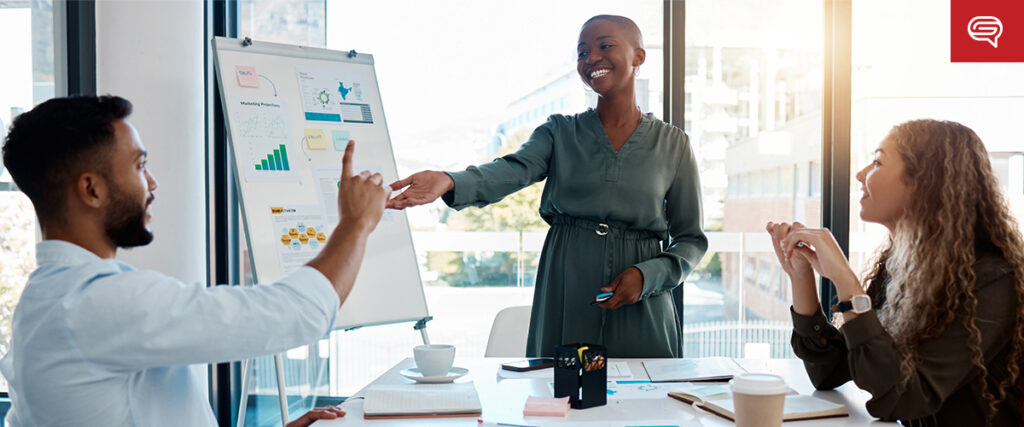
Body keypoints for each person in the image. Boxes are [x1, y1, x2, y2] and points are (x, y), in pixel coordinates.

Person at [0, 95, 391, 426]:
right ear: (92, 188)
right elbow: (296, 314)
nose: (151, 183)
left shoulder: (43, 303)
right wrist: (356, 223)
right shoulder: (95, 301)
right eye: (139, 166)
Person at [387, 15, 707, 358]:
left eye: (605, 46)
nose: (591, 58)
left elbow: (691, 240)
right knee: (561, 397)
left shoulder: (673, 145)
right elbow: (512, 170)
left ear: (638, 57)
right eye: (583, 52)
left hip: (642, 293)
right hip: (567, 282)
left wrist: (649, 277)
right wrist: (450, 180)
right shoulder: (559, 132)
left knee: (646, 398)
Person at [766, 119, 1023, 425]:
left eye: (877, 162)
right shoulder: (902, 266)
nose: (861, 175)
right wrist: (801, 275)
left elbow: (906, 397)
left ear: (925, 182)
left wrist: (847, 283)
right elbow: (829, 371)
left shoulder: (992, 280)